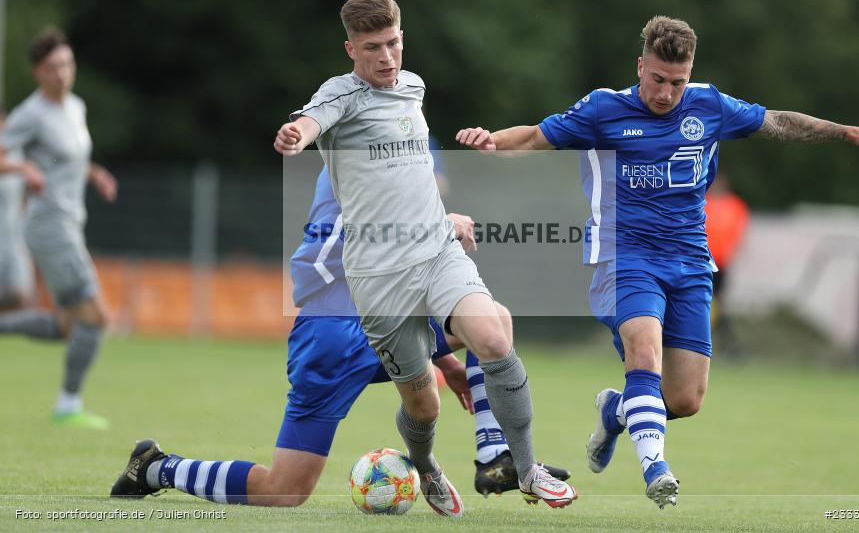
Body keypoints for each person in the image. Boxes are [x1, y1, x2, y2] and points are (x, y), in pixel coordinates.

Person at [456, 15, 859, 508]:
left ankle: (616, 413)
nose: (666, 93)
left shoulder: (709, 104)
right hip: (624, 254)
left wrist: (847, 132)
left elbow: (776, 121)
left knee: (685, 400)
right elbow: (537, 137)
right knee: (644, 354)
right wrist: (490, 141)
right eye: (658, 80)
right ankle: (656, 469)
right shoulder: (604, 109)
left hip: (690, 260)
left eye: (677, 82)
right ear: (639, 65)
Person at [271, 0, 576, 516]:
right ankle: (428, 467)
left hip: (437, 253)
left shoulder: (413, 86)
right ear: (351, 50)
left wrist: (444, 221)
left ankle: (527, 470)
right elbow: (313, 121)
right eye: (372, 48)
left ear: (402, 38)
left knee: (493, 334)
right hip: (377, 277)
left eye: (392, 44)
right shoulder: (339, 96)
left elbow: (409, 179)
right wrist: (296, 134)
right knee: (422, 402)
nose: (386, 58)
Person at [110, 166, 570, 506]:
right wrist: (440, 224)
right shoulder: (353, 159)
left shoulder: (398, 146)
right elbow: (358, 239)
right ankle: (156, 467)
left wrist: (444, 356)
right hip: (331, 334)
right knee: (286, 491)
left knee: (493, 320)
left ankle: (494, 456)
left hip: (386, 313)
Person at [0, 28, 118, 429]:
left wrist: (96, 173)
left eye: (67, 64)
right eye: (53, 68)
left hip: (69, 223)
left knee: (67, 325)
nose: (62, 74)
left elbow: (67, 159)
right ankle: (69, 404)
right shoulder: (29, 114)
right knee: (96, 317)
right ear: (38, 72)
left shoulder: (76, 107)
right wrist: (22, 166)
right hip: (49, 226)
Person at [704, 173, 750, 357]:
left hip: (721, 263)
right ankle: (727, 344)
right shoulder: (703, 201)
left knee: (717, 303)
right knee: (709, 302)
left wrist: (732, 252)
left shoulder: (735, 205)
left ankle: (726, 343)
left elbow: (738, 232)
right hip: (701, 261)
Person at [0, 109, 36, 311]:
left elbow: (23, 193)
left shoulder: (16, 151)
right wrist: (22, 168)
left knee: (20, 294)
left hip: (15, 231)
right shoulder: (17, 161)